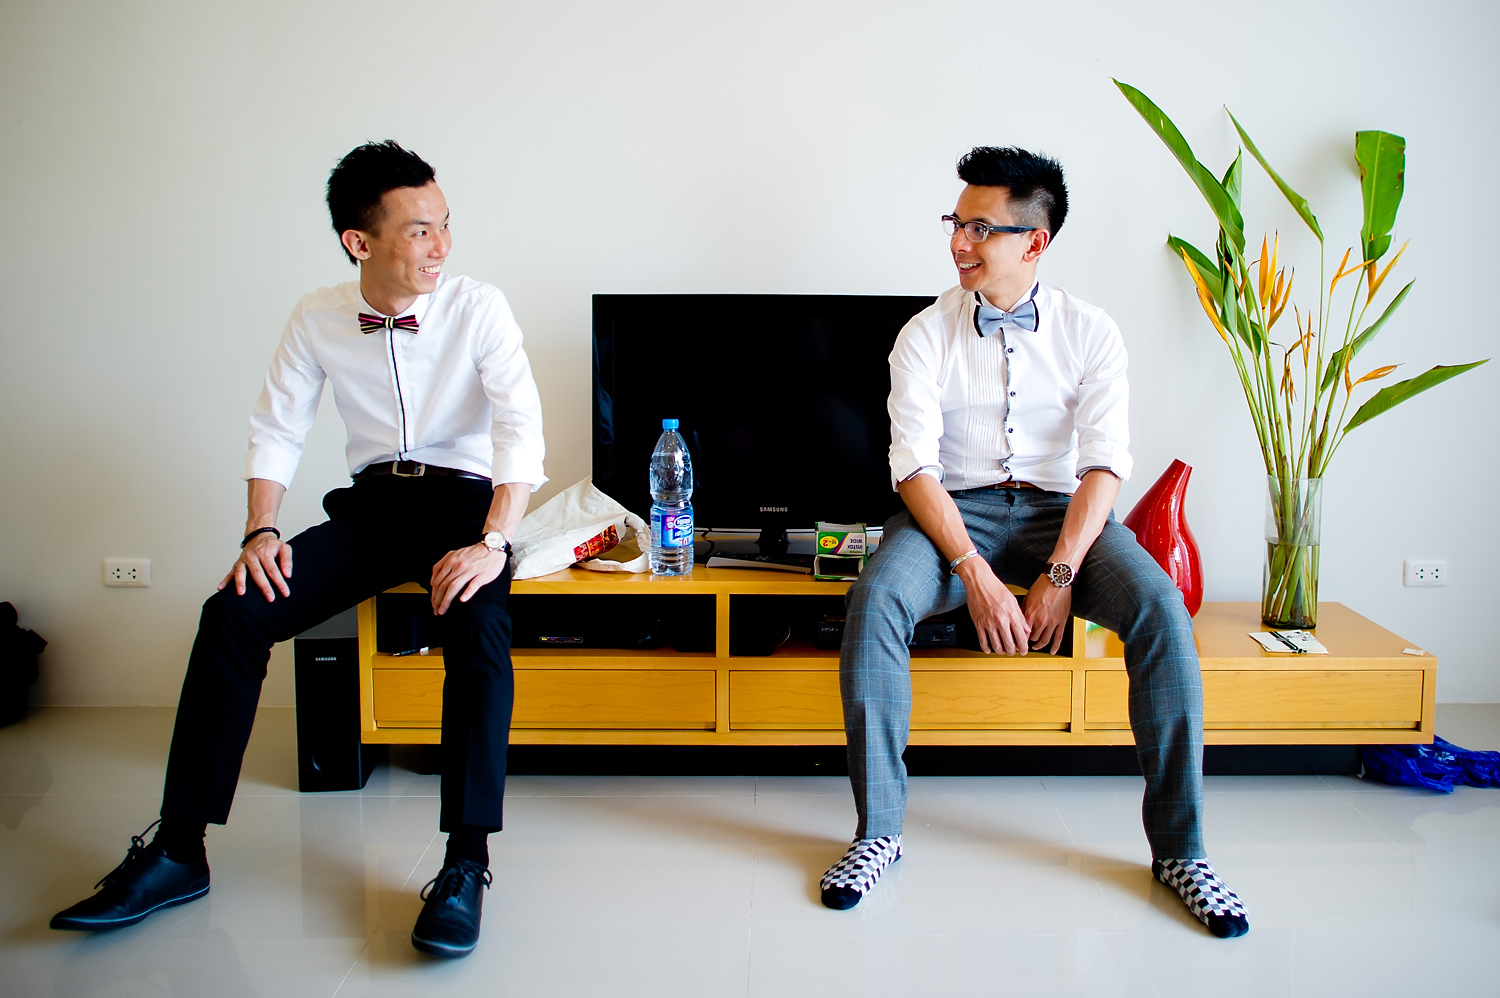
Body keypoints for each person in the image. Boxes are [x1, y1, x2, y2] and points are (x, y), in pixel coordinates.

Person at [50, 140, 546, 958]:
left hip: (467, 508)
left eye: (445, 225)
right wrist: (260, 530)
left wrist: (494, 541)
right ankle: (178, 850)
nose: (442, 245)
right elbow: (278, 426)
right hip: (372, 508)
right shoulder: (318, 314)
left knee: (480, 628)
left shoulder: (478, 306)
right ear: (360, 241)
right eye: (420, 230)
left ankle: (466, 861)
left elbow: (519, 429)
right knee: (234, 612)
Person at [819, 146, 1248, 938]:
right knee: (875, 599)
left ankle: (1182, 852)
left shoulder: (1093, 331)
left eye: (980, 228)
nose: (959, 242)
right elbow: (912, 468)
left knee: (1160, 607)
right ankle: (878, 834)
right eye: (956, 223)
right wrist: (975, 573)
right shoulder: (923, 333)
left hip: (1063, 515)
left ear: (1035, 241)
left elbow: (1105, 464)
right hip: (953, 515)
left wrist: (1059, 573)